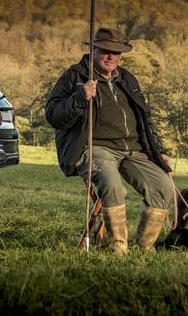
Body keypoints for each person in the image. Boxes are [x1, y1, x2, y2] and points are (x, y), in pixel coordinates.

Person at [45, 27, 173, 255]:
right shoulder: (74, 77)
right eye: (106, 51)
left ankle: (146, 247)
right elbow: (53, 115)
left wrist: (159, 149)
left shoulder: (128, 79)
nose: (112, 57)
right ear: (94, 50)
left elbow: (145, 118)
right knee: (112, 183)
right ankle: (119, 249)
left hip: (133, 149)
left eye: (117, 53)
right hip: (94, 147)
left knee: (162, 186)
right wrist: (80, 96)